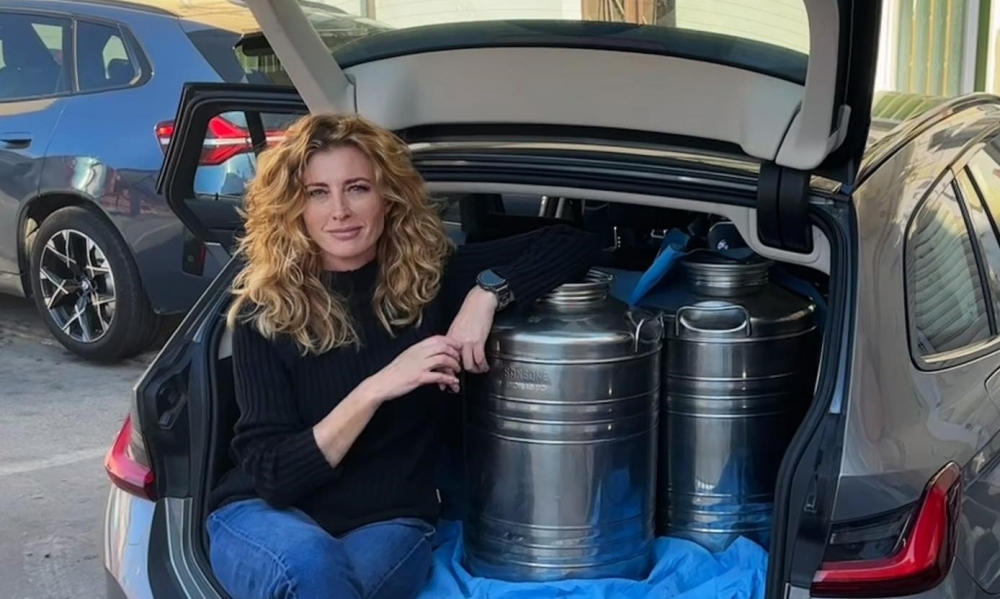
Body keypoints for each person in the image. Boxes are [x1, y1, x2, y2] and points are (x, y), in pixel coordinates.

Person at [204, 112, 601, 599]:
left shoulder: (430, 280)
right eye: (317, 193)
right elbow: (274, 477)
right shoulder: (265, 312)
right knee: (313, 567)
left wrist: (487, 294)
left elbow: (573, 242)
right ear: (294, 208)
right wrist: (377, 388)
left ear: (387, 196)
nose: (339, 211)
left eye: (357, 188)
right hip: (267, 513)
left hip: (389, 519)